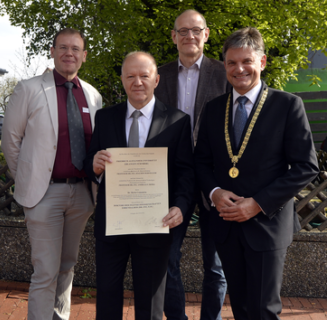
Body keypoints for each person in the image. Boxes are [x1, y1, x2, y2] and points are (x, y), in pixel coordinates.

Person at [194, 27, 319, 320]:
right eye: (231, 63)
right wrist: (214, 192)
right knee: (240, 307)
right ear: (224, 65)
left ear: (261, 62)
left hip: (266, 224)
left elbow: (306, 166)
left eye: (247, 61)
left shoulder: (288, 105)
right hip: (226, 224)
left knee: (264, 310)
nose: (239, 69)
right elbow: (200, 161)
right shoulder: (213, 109)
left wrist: (258, 203)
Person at [84, 51, 194, 320]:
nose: (137, 82)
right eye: (130, 76)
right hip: (113, 224)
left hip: (154, 223)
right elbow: (89, 162)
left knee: (151, 302)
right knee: (107, 296)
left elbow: (186, 172)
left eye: (144, 76)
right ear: (122, 80)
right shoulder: (105, 118)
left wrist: (180, 206)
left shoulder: (178, 121)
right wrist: (94, 165)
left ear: (156, 79)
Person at [1, 28, 102, 320]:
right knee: (45, 270)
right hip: (44, 194)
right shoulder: (29, 89)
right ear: (52, 51)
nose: (69, 53)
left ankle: (60, 316)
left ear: (83, 55)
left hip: (82, 194)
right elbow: (11, 141)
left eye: (75, 48)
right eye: (63, 47)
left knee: (67, 265)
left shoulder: (93, 95)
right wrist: (29, 181)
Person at [154, 9, 230, 320]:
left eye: (196, 30)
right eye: (182, 31)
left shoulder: (226, 73)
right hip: (173, 180)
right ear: (173, 36)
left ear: (206, 34)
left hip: (216, 179)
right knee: (167, 259)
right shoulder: (157, 76)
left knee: (215, 265)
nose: (189, 36)